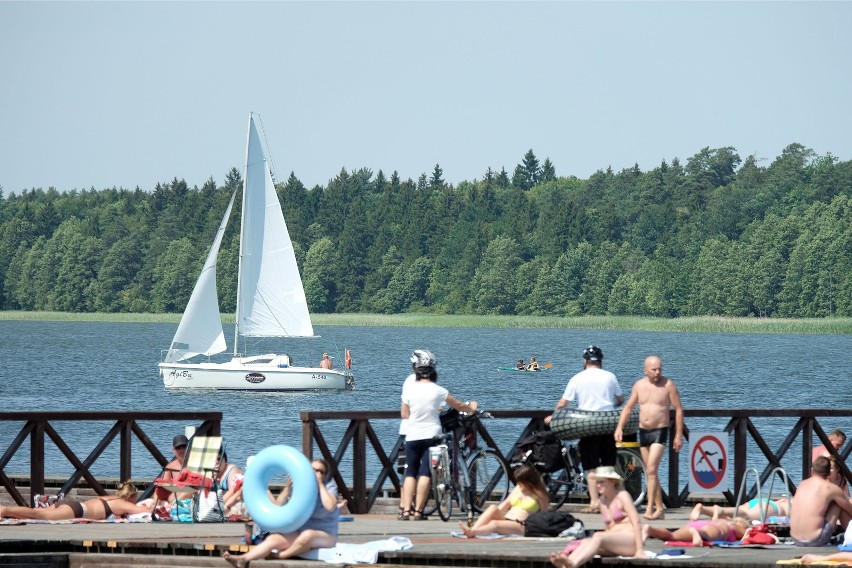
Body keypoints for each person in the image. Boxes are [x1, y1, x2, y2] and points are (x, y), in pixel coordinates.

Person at [545, 345, 625, 513]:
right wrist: (610, 407)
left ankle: (595, 502)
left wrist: (553, 417)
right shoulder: (610, 377)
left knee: (590, 466)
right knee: (609, 464)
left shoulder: (577, 378)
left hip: (587, 425)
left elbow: (563, 403)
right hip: (607, 424)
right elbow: (620, 399)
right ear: (601, 361)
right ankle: (611, 502)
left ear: (585, 361)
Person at [400, 349, 477, 521]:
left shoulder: (409, 391)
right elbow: (458, 405)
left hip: (412, 435)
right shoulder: (438, 390)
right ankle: (419, 512)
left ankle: (406, 511)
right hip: (432, 436)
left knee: (411, 472)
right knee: (425, 473)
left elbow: (405, 414)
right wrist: (471, 407)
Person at [223, 459, 339, 566]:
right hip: (301, 533)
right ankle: (243, 559)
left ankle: (280, 556)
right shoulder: (303, 486)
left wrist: (319, 483)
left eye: (318, 471)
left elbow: (330, 506)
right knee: (273, 539)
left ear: (325, 475)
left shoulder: (329, 485)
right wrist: (288, 488)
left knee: (307, 535)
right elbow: (279, 506)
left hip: (326, 535)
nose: (314, 472)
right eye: (311, 469)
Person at [614, 355, 684, 520]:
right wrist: (619, 427)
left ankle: (649, 508)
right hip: (643, 431)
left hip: (660, 431)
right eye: (654, 369)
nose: (658, 372)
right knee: (650, 473)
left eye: (660, 368)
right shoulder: (639, 385)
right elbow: (629, 407)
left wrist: (678, 435)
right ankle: (660, 509)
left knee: (651, 469)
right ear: (645, 370)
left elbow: (679, 410)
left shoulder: (668, 385)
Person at [548, 466, 643, 568]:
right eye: (597, 482)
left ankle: (573, 564)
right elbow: (608, 528)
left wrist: (639, 550)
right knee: (585, 541)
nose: (598, 485)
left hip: (630, 541)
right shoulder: (602, 501)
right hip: (613, 543)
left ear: (612, 482)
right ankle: (566, 565)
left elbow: (636, 522)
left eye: (602, 482)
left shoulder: (622, 496)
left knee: (598, 535)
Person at [458, 464, 549, 537]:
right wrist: (492, 514)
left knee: (495, 524)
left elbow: (544, 515)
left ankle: (473, 531)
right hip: (507, 519)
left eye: (520, 481)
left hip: (521, 524)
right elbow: (504, 505)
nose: (518, 483)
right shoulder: (518, 488)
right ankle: (474, 529)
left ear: (529, 481)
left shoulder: (540, 494)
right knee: (493, 507)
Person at [0, 480, 151, 520]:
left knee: (35, 513)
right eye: (135, 498)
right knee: (40, 516)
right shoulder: (124, 504)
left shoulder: (110, 498)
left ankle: (8, 512)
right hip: (78, 511)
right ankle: (5, 509)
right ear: (131, 496)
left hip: (72, 504)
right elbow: (143, 511)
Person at [790, 456, 852, 546]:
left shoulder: (802, 484)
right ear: (828, 473)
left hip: (795, 538)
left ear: (812, 470)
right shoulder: (831, 488)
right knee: (838, 503)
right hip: (815, 540)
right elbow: (849, 509)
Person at [643, 516, 749, 546]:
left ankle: (651, 530)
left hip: (702, 524)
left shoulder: (723, 519)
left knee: (672, 536)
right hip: (715, 531)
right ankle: (696, 533)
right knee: (706, 533)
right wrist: (747, 532)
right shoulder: (734, 526)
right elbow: (745, 536)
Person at [689, 497, 791, 521]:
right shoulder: (799, 504)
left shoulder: (790, 499)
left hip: (762, 501)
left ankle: (702, 509)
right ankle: (720, 510)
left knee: (737, 513)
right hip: (773, 508)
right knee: (745, 515)